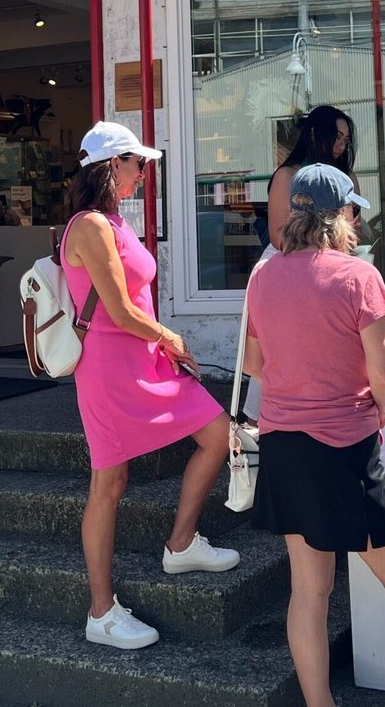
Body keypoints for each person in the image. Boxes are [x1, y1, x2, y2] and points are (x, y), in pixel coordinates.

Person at [244, 164, 385, 707]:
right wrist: (380, 402)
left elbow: (254, 364)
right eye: (353, 210)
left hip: (283, 444)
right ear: (342, 214)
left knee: (309, 590)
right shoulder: (358, 276)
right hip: (343, 449)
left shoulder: (263, 276)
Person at [61, 121, 241, 650]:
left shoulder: (112, 222)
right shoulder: (91, 226)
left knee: (219, 434)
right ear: (110, 166)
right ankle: (101, 612)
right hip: (110, 367)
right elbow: (118, 309)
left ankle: (181, 542)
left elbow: (130, 305)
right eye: (136, 163)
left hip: (144, 358)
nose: (142, 173)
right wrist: (169, 335)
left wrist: (160, 342)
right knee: (109, 484)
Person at [243, 105, 359, 422]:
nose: (341, 144)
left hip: (332, 266)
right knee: (280, 345)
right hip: (286, 266)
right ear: (315, 134)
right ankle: (263, 416)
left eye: (346, 139)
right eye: (336, 136)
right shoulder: (287, 175)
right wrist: (320, 250)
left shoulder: (347, 177)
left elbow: (353, 231)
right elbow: (278, 235)